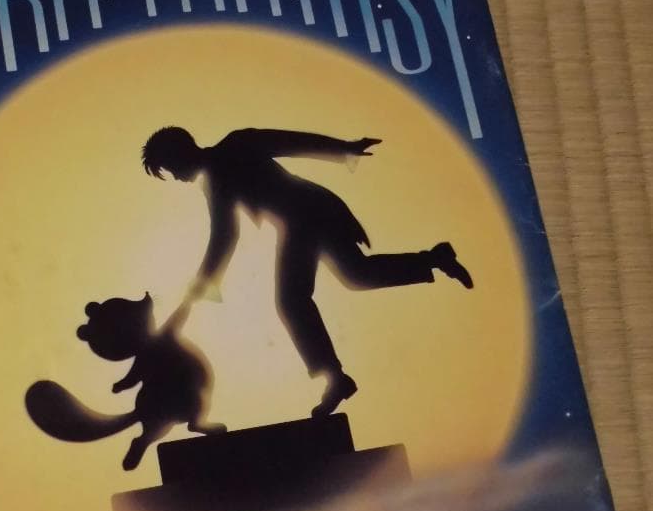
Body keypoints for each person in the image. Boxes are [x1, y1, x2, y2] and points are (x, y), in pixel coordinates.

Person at [142, 126, 473, 417]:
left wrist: (343, 148)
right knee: (357, 275)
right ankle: (434, 259)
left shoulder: (235, 148)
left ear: (181, 152)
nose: (177, 177)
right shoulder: (216, 181)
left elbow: (292, 143)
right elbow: (226, 236)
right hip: (306, 217)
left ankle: (336, 378)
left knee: (292, 300)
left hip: (307, 214)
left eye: (172, 168)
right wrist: (204, 286)